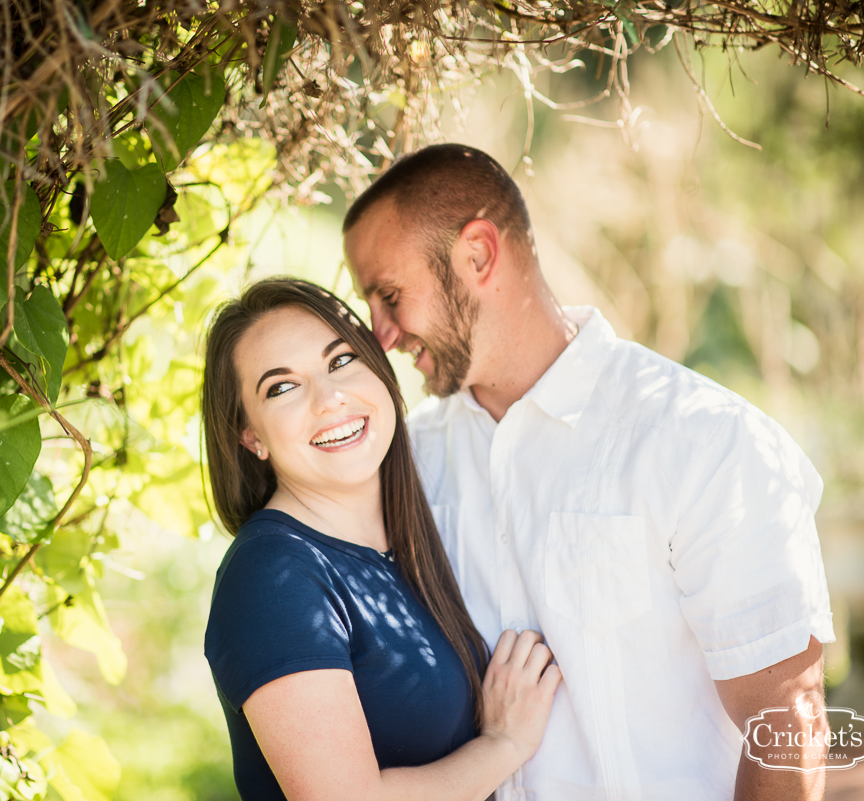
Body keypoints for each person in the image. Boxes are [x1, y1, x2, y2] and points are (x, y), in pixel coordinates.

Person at [342, 143, 836, 801]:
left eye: (390, 294)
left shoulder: (705, 441)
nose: (381, 335)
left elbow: (788, 726)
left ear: (479, 254)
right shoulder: (407, 461)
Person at [201, 278, 563, 801]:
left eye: (341, 361)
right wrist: (504, 744)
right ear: (250, 435)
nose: (330, 399)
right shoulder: (272, 577)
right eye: (282, 387)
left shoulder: (407, 533)